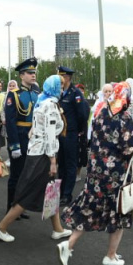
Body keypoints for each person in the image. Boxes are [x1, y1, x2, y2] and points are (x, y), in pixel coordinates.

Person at [58, 83, 133, 265]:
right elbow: (127, 149)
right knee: (119, 213)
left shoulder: (101, 113)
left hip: (96, 172)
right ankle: (110, 256)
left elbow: (92, 138)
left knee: (90, 209)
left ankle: (68, 245)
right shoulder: (125, 118)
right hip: (115, 175)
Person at [0, 75, 71, 243]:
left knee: (51, 192)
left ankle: (57, 229)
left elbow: (34, 130)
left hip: (38, 151)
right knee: (29, 193)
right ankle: (1, 227)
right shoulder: (50, 105)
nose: (63, 89)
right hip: (43, 155)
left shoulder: (42, 101)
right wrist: (52, 161)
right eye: (61, 86)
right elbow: (50, 135)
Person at [4, 58, 40, 214]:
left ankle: (20, 208)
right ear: (21, 75)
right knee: (16, 176)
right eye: (30, 73)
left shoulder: (36, 94)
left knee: (27, 175)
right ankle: (10, 207)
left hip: (33, 138)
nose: (33, 75)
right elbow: (11, 122)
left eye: (34, 73)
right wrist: (14, 145)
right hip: (20, 136)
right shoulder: (14, 95)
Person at [56, 66, 90, 206]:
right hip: (60, 134)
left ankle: (67, 194)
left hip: (71, 134)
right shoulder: (59, 92)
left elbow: (82, 115)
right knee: (61, 164)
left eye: (61, 76)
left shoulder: (75, 93)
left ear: (67, 78)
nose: (59, 79)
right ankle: (60, 191)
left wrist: (78, 131)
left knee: (70, 164)